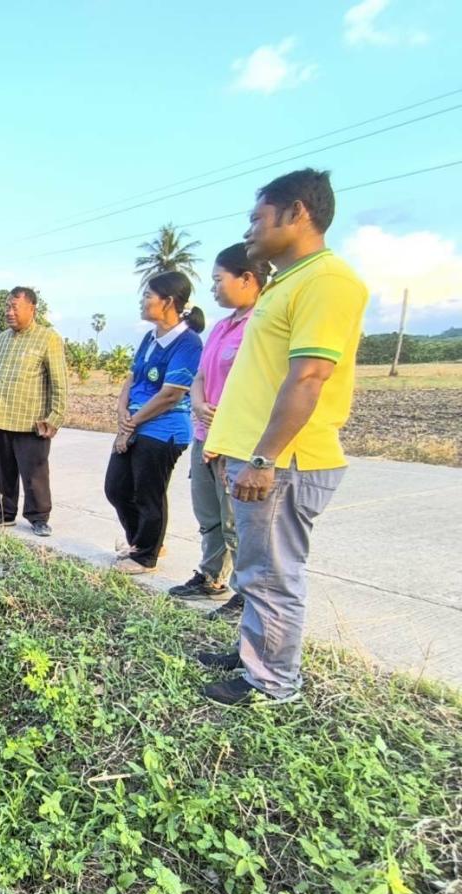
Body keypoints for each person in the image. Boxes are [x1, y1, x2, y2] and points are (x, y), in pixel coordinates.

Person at [199, 168, 368, 707]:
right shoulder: (286, 283)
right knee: (255, 568)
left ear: (297, 213)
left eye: (256, 219)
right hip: (255, 456)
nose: (249, 231)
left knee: (272, 573)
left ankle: (272, 683)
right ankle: (255, 653)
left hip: (283, 460)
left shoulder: (328, 281)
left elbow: (309, 377)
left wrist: (264, 457)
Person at [169, 243, 270, 619]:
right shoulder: (223, 326)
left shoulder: (263, 323)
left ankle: (247, 593)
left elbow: (257, 387)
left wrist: (223, 432)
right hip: (203, 432)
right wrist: (196, 402)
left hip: (236, 439)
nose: (212, 288)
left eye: (217, 280)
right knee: (208, 512)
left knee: (236, 521)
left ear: (247, 278)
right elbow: (201, 375)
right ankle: (211, 577)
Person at [105, 272, 205, 574]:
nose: (143, 300)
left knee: (148, 493)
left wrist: (131, 424)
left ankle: (146, 556)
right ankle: (141, 542)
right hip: (135, 423)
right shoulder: (150, 338)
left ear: (169, 302)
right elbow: (132, 377)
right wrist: (123, 412)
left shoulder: (188, 343)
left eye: (148, 295)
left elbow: (171, 395)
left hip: (163, 430)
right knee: (117, 488)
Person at [0, 286, 68, 536]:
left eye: (14, 307)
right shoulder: (0, 340)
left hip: (32, 421)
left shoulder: (48, 338)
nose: (8, 311)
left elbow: (59, 382)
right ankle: (3, 513)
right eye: (7, 306)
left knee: (35, 473)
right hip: (3, 417)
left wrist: (55, 417)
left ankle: (38, 517)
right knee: (2, 470)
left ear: (31, 308)